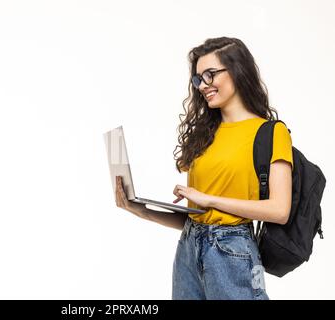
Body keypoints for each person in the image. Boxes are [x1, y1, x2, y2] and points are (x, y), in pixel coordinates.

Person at [114, 37, 293, 300]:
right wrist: (142, 210)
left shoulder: (270, 133)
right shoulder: (204, 135)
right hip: (188, 249)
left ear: (237, 70)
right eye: (198, 79)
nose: (203, 85)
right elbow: (198, 217)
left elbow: (280, 210)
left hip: (232, 252)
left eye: (211, 74)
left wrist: (208, 199)